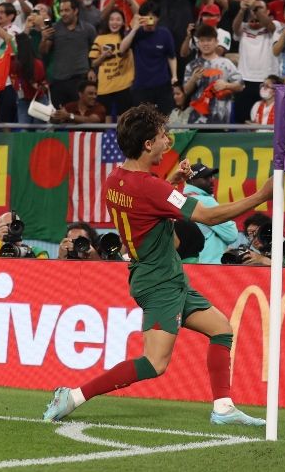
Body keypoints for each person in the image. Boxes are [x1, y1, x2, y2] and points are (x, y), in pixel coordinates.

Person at [43, 103, 273, 426]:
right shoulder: (152, 187)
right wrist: (261, 195)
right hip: (159, 281)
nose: (168, 140)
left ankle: (223, 407)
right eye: (163, 135)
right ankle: (74, 395)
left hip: (164, 276)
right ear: (148, 144)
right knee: (154, 363)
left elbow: (148, 206)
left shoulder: (115, 180)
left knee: (221, 329)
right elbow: (206, 215)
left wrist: (172, 181)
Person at [120, 2, 178, 114]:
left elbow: (171, 56)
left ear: (158, 18)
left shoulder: (164, 33)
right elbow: (122, 49)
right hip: (141, 86)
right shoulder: (136, 33)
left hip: (162, 85)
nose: (149, 20)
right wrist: (134, 29)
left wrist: (174, 75)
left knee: (166, 119)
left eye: (152, 16)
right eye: (146, 16)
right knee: (143, 121)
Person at [41, 0, 97, 107]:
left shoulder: (88, 29)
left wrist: (92, 69)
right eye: (61, 11)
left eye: (67, 10)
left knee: (80, 114)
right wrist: (43, 39)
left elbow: (95, 51)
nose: (63, 14)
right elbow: (44, 51)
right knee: (58, 117)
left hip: (80, 79)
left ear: (75, 11)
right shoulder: (54, 28)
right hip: (58, 80)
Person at [232, 0, 281, 123]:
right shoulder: (243, 27)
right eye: (253, 10)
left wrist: (255, 7)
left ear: (267, 12)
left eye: (260, 9)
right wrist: (242, 10)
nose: (255, 12)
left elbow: (270, 27)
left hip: (268, 81)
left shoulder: (274, 25)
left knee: (268, 121)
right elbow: (235, 28)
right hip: (244, 80)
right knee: (242, 121)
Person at [183, 24, 243, 124]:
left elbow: (241, 86)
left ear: (216, 42)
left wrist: (226, 85)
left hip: (221, 118)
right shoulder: (191, 65)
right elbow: (186, 91)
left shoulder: (226, 64)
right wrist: (193, 79)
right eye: (202, 41)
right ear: (198, 43)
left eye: (209, 40)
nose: (205, 44)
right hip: (196, 119)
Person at [182, 162, 239, 264]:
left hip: (190, 266)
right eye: (206, 178)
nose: (212, 180)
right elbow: (232, 235)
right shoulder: (206, 201)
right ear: (192, 180)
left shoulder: (181, 200)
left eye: (212, 176)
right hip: (211, 267)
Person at [89, 9, 134, 121]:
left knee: (123, 121)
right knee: (106, 120)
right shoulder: (100, 38)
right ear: (107, 22)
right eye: (112, 19)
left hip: (124, 85)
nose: (115, 22)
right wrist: (103, 56)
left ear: (123, 22)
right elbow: (94, 63)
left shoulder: (127, 38)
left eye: (118, 20)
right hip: (105, 86)